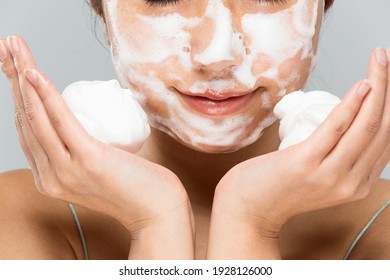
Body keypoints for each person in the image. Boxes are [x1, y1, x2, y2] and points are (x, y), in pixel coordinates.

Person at [0, 0, 389, 260]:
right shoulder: (15, 218)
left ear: (324, 6)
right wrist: (155, 220)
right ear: (102, 10)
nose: (217, 54)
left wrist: (251, 219)